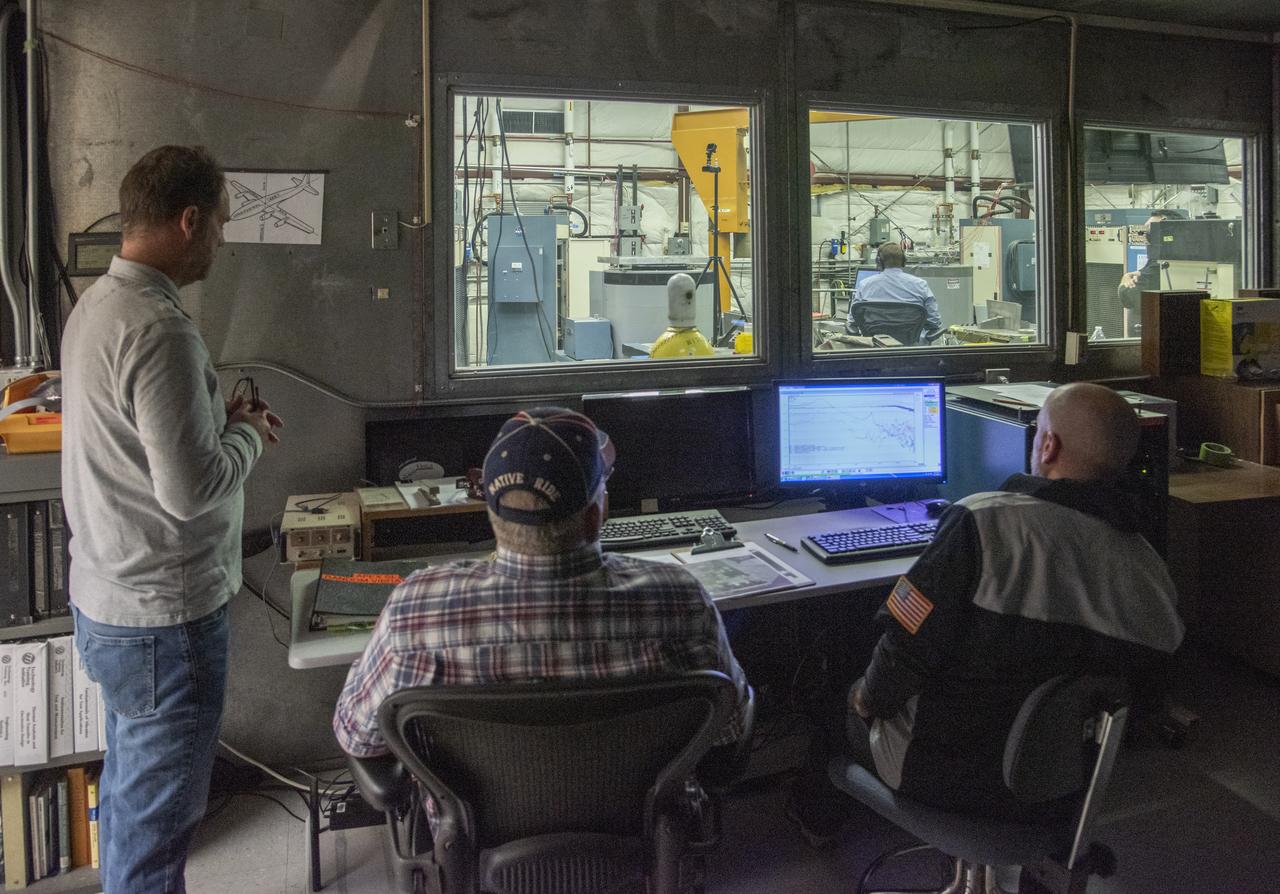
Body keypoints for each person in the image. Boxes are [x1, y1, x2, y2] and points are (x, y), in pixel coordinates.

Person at [62, 145, 283, 893]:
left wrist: (216, 419)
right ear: (189, 221)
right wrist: (249, 434)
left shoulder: (97, 306)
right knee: (159, 832)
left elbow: (140, 448)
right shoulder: (160, 330)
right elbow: (192, 492)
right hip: (165, 623)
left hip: (110, 606)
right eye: (219, 224)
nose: (219, 241)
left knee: (131, 805)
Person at [334, 406, 750, 762]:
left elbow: (357, 737)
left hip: (475, 837)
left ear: (492, 513)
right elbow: (728, 728)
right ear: (597, 513)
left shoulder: (414, 609)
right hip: (644, 827)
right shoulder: (681, 598)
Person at [845, 382, 1183, 818]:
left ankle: (819, 827)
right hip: (1066, 788)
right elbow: (1150, 691)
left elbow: (904, 648)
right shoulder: (1148, 565)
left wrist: (865, 701)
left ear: (1047, 444)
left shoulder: (981, 521)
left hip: (947, 772)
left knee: (836, 694)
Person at [845, 242, 941, 342]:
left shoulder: (864, 285)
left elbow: (852, 322)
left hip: (875, 348)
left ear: (879, 261)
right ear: (904, 261)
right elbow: (934, 322)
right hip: (911, 349)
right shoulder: (921, 285)